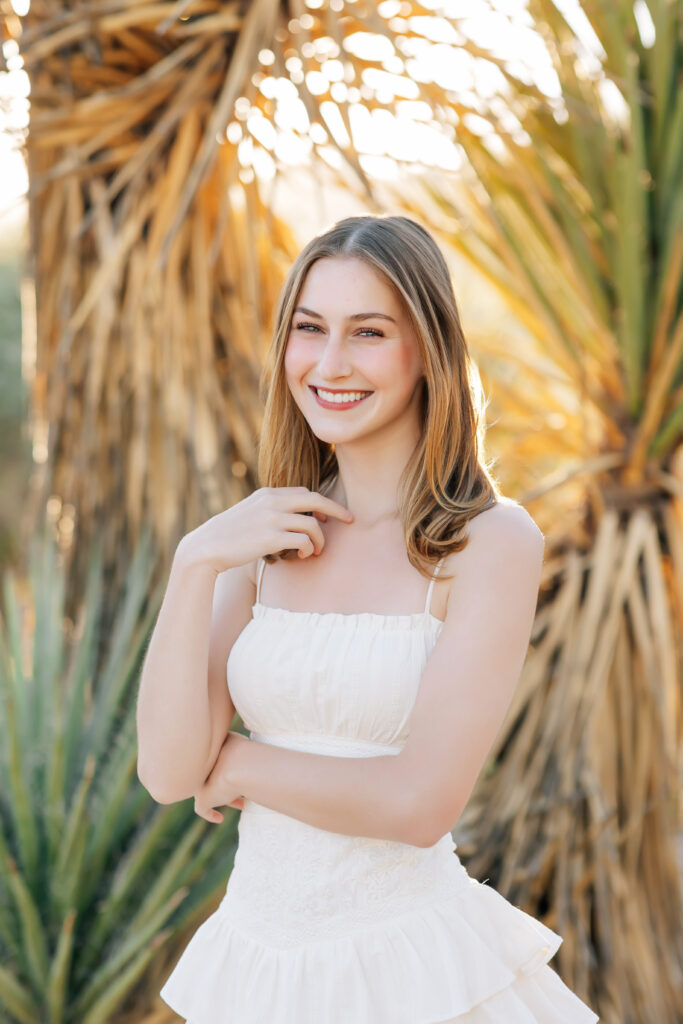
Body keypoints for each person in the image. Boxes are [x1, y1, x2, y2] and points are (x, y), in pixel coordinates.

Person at [138, 214, 599, 1022]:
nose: (330, 363)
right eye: (309, 329)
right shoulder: (263, 536)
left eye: (369, 332)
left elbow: (420, 803)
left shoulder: (487, 543)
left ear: (427, 351)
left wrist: (241, 764)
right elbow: (171, 773)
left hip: (414, 972)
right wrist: (194, 561)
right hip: (256, 971)